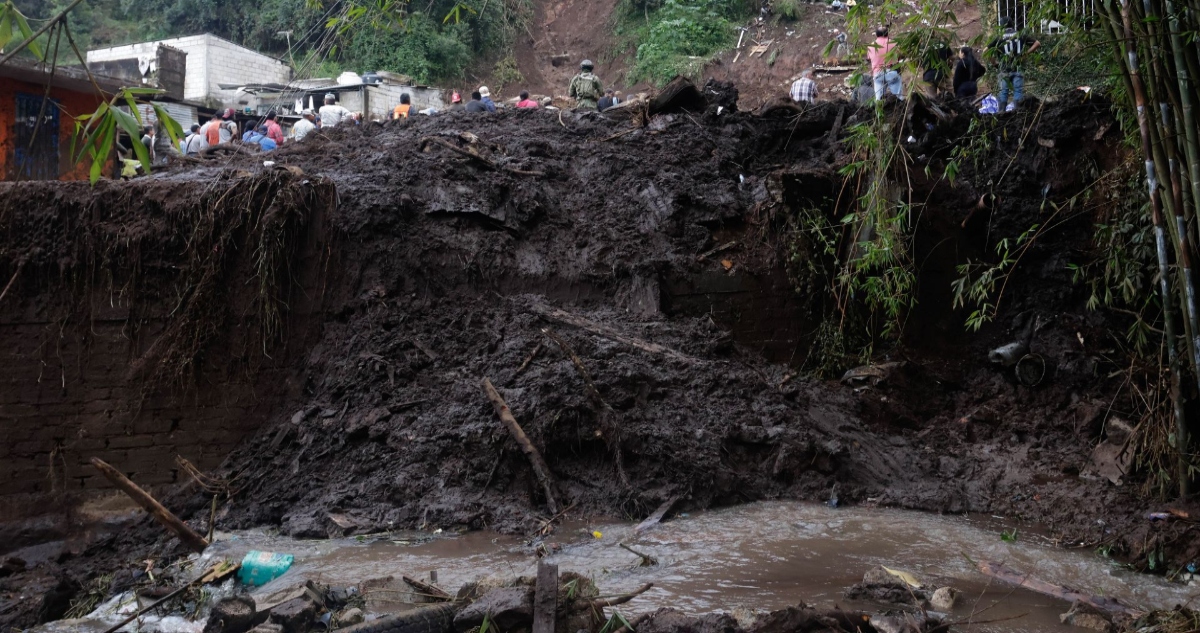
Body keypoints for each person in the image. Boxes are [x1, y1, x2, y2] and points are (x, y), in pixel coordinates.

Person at [988, 17, 1040, 110]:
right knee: (1018, 91)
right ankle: (1018, 114)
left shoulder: (999, 37)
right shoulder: (1020, 35)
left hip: (1004, 69)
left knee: (1003, 92)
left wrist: (994, 63)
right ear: (1012, 24)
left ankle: (1001, 114)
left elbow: (986, 52)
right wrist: (1026, 53)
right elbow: (1037, 43)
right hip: (1017, 67)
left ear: (1001, 26)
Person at [867, 26, 902, 100]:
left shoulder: (871, 46)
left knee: (879, 99)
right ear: (887, 34)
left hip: (878, 73)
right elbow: (899, 57)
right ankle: (899, 108)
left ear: (876, 35)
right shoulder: (894, 43)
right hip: (892, 71)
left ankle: (879, 109)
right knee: (898, 99)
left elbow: (869, 59)